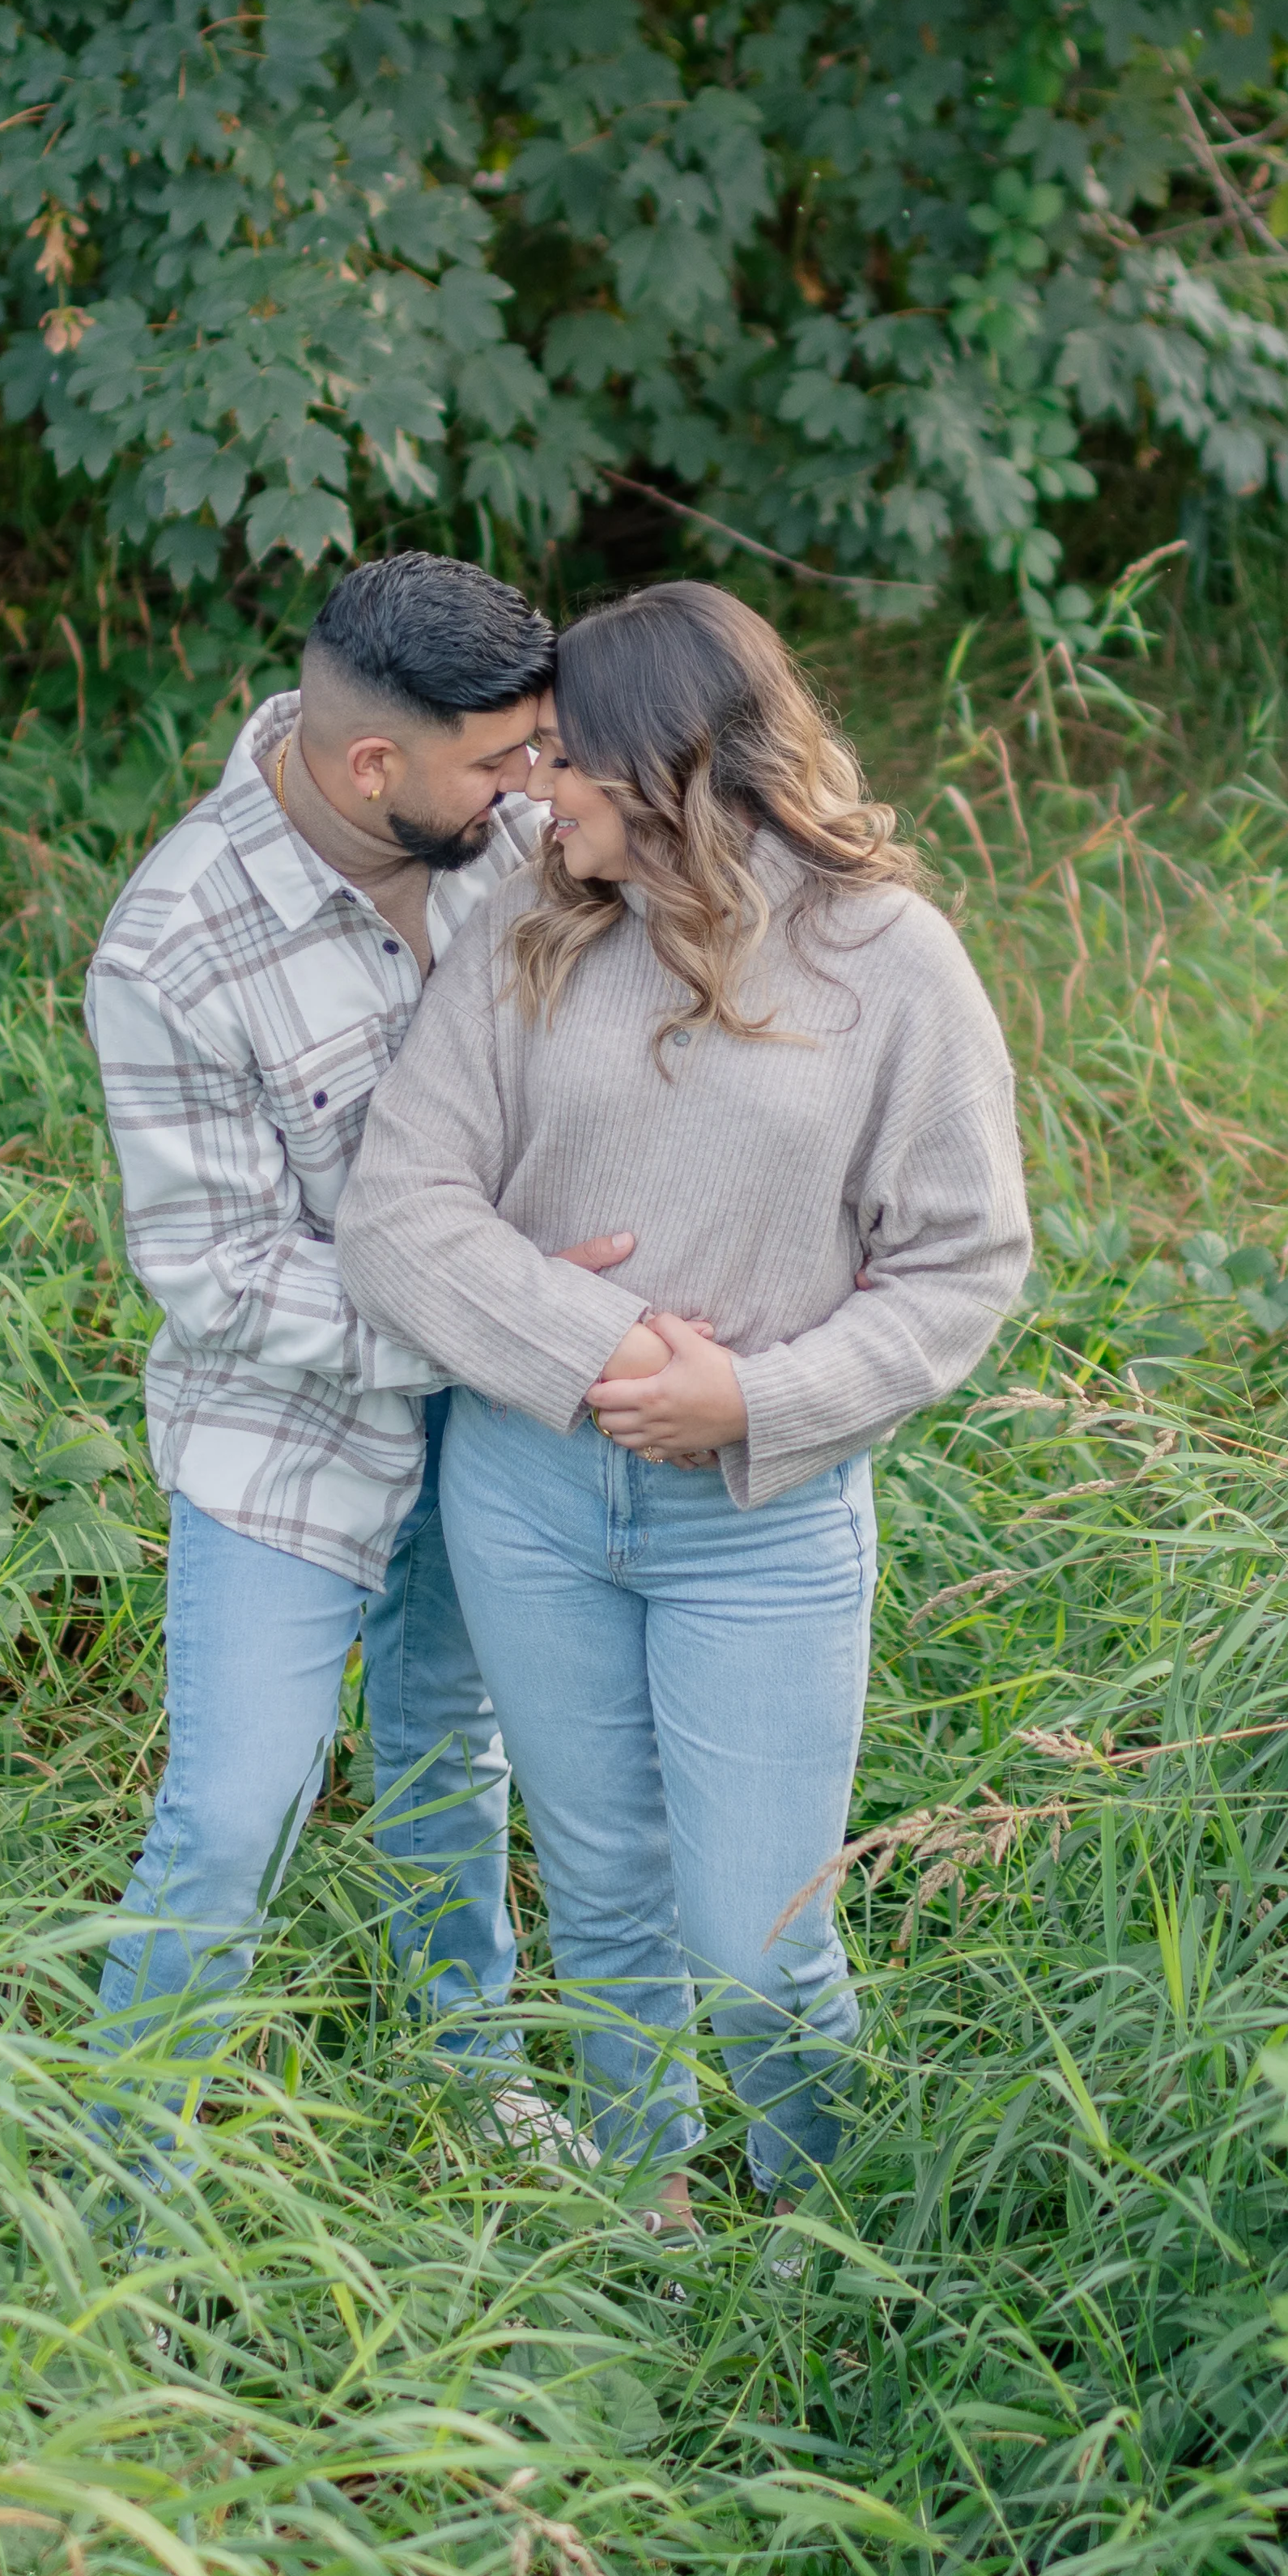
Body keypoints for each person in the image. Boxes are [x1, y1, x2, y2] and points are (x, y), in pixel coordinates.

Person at [334, 581, 1031, 2235]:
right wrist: (599, 1347)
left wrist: (748, 1398)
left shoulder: (889, 962)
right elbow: (396, 1213)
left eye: (563, 763)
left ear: (671, 767)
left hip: (763, 1525)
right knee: (601, 1890)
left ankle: (824, 2232)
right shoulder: (526, 928)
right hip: (529, 1496)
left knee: (756, 1932)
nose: (528, 796)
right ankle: (644, 2206)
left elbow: (964, 1259)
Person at [82, 549, 635, 2178]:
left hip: (488, 1426)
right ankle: (127, 2181)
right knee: (233, 1807)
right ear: (369, 763)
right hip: (289, 1438)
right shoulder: (172, 947)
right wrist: (511, 1313)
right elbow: (219, 1277)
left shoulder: (512, 842)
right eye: (498, 760)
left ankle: (465, 2063)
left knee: (448, 1747)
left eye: (536, 749)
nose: (533, 785)